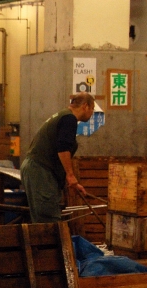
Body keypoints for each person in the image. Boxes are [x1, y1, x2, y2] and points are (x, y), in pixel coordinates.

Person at [20, 92, 92, 224]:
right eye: (92, 110)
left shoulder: (62, 116)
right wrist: (70, 175)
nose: (92, 114)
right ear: (86, 106)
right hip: (40, 171)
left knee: (42, 219)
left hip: (37, 169)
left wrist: (70, 181)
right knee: (49, 221)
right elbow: (63, 149)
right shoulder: (69, 119)